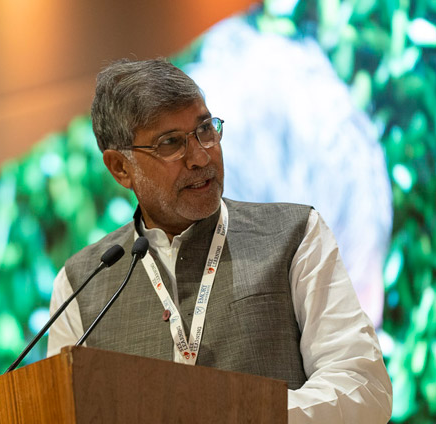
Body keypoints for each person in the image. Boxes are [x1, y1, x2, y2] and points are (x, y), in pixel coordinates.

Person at [47, 58, 393, 422]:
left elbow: (363, 388)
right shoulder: (80, 284)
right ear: (120, 167)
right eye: (170, 144)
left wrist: (243, 415)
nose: (200, 156)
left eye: (206, 130)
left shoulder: (296, 233)